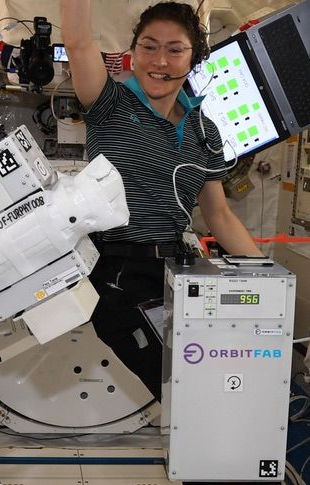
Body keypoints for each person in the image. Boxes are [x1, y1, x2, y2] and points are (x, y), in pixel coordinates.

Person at [60, 0, 262, 401]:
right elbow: (80, 42)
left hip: (174, 270)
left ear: (193, 59)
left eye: (175, 50)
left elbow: (219, 214)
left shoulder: (205, 130)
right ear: (132, 54)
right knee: (184, 391)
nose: (160, 60)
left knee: (220, 378)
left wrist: (267, 278)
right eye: (149, 47)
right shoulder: (110, 102)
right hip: (117, 274)